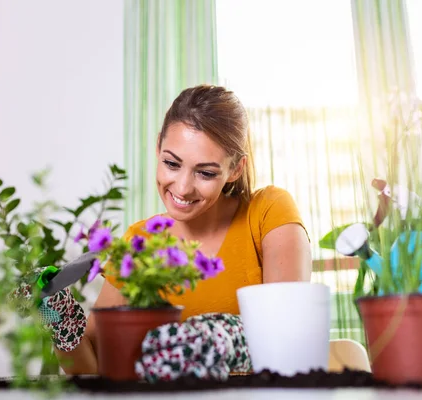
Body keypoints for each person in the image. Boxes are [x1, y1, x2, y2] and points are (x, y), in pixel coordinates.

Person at [49, 84, 312, 375]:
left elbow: (287, 336)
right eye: (172, 163)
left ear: (236, 169)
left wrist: (217, 338)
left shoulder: (267, 211)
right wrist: (61, 320)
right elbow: (95, 371)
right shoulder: (141, 243)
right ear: (158, 146)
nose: (183, 188)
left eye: (206, 173)